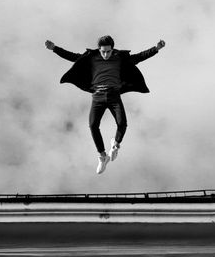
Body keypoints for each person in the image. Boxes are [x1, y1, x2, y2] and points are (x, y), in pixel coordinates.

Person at [45, 33, 166, 173]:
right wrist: (54, 48)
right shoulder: (91, 57)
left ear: (112, 49)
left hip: (114, 95)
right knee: (93, 125)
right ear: (99, 49)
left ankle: (115, 144)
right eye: (103, 52)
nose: (106, 55)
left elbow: (139, 57)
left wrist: (156, 49)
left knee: (122, 123)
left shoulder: (120, 58)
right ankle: (102, 157)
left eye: (108, 51)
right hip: (98, 96)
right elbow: (72, 56)